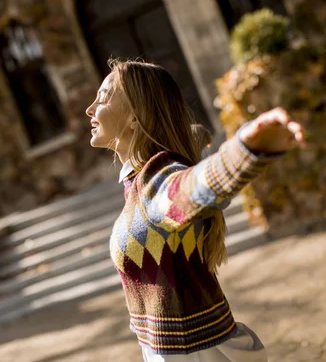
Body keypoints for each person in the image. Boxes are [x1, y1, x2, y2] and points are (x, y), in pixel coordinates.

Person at [85, 60, 305, 362]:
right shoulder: (140, 176)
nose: (90, 109)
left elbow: (189, 189)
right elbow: (191, 149)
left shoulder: (155, 180)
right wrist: (197, 137)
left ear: (135, 118)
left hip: (195, 354)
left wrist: (245, 150)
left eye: (105, 97)